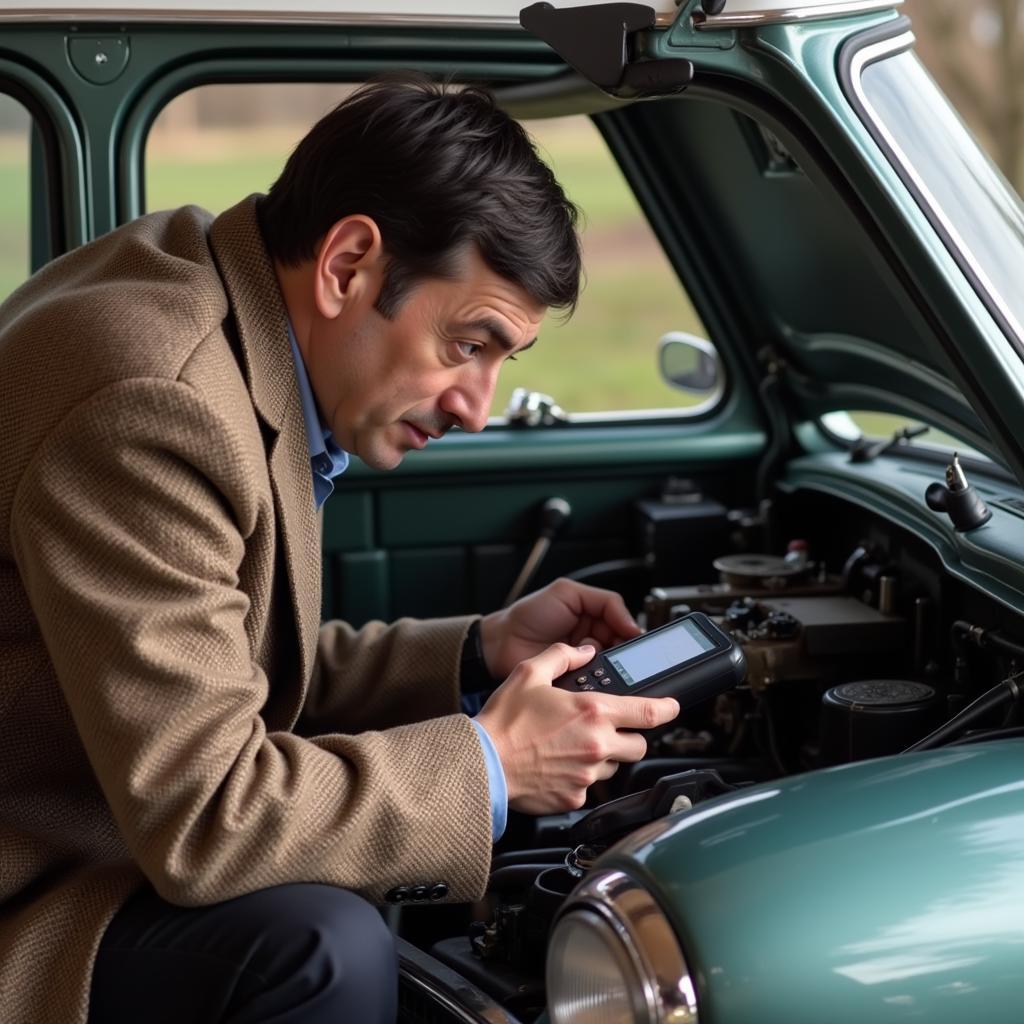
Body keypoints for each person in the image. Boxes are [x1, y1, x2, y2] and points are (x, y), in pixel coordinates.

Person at [0, 75, 680, 1023]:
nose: (476, 409)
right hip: (37, 884)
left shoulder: (224, 296)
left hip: (93, 814)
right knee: (322, 946)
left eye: (501, 361)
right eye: (468, 344)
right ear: (348, 263)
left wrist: (479, 652)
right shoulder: (155, 406)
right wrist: (490, 764)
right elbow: (209, 815)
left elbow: (222, 666)